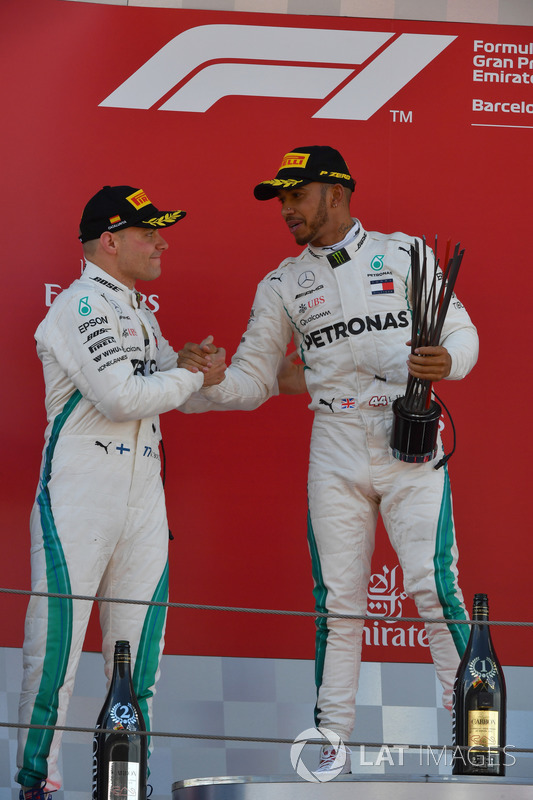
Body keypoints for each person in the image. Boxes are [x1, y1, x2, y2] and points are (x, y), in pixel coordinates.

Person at [177, 146, 479, 774]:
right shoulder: (282, 282)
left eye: (296, 195)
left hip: (408, 432)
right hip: (334, 440)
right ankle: (329, 750)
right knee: (338, 601)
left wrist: (448, 362)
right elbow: (253, 381)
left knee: (433, 589)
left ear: (337, 193)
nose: (285, 209)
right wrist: (208, 380)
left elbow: (461, 332)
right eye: (280, 199)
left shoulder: (404, 253)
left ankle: (470, 745)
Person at [16, 185, 225, 800]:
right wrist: (188, 374)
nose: (163, 242)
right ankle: (37, 786)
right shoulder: (80, 306)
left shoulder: (138, 310)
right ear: (110, 240)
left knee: (139, 660)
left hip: (142, 502)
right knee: (54, 654)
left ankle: (123, 785)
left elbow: (175, 392)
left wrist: (200, 371)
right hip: (78, 496)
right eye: (149, 232)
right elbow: (121, 397)